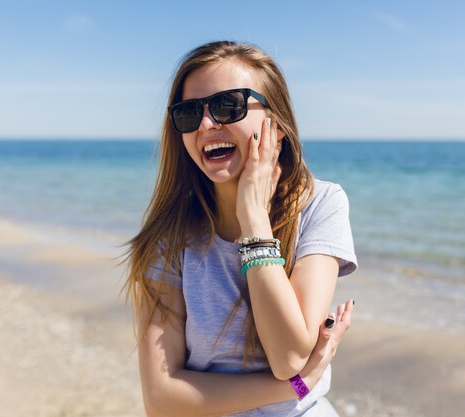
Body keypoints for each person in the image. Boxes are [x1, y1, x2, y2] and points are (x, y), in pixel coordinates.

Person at [125, 41, 357, 417]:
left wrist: (253, 218)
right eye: (188, 113)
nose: (205, 125)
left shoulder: (321, 204)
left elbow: (289, 356)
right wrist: (293, 387)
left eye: (227, 106)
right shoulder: (170, 236)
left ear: (276, 123)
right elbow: (161, 400)